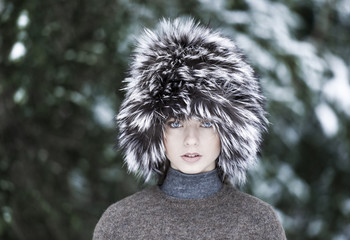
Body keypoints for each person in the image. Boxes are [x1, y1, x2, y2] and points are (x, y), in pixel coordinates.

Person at [93, 17, 287, 239]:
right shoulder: (120, 223)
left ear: (231, 130)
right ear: (153, 131)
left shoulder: (258, 223)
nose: (191, 139)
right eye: (175, 123)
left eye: (206, 123)